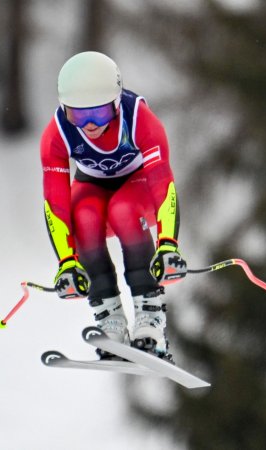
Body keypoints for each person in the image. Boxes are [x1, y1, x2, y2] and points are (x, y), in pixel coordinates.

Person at [39, 51, 187, 362]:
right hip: (91, 185)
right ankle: (111, 322)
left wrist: (168, 244)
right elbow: (56, 202)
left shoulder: (139, 118)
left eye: (100, 114)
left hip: (139, 187)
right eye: (78, 116)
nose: (90, 125)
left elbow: (162, 181)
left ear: (117, 103)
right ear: (65, 109)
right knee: (84, 216)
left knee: (122, 209)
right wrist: (67, 262)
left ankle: (151, 319)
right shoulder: (56, 134)